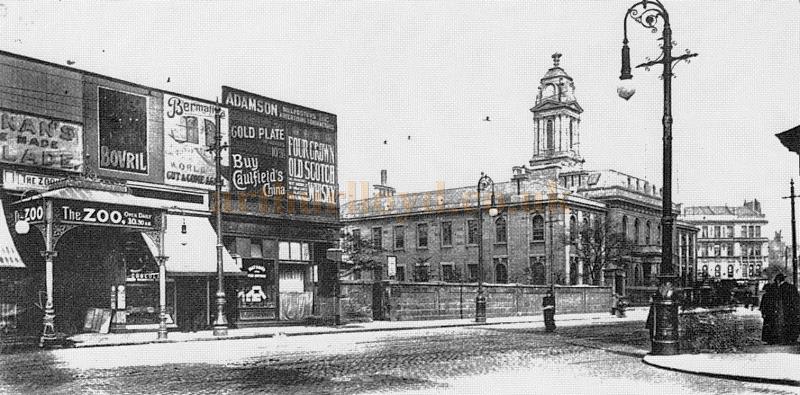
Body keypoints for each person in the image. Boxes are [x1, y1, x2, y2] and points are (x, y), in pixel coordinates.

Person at [776, 273, 800, 344]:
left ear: (778, 280)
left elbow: (779, 300)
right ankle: (793, 338)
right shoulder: (792, 286)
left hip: (785, 309)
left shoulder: (780, 288)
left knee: (785, 323)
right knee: (793, 323)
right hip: (794, 308)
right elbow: (797, 298)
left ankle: (786, 339)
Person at [760, 278, 785, 344]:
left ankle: (769, 339)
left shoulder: (765, 296)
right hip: (772, 313)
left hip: (768, 313)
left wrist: (763, 313)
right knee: (773, 326)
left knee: (768, 326)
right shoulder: (773, 296)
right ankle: (773, 339)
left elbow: (762, 305)